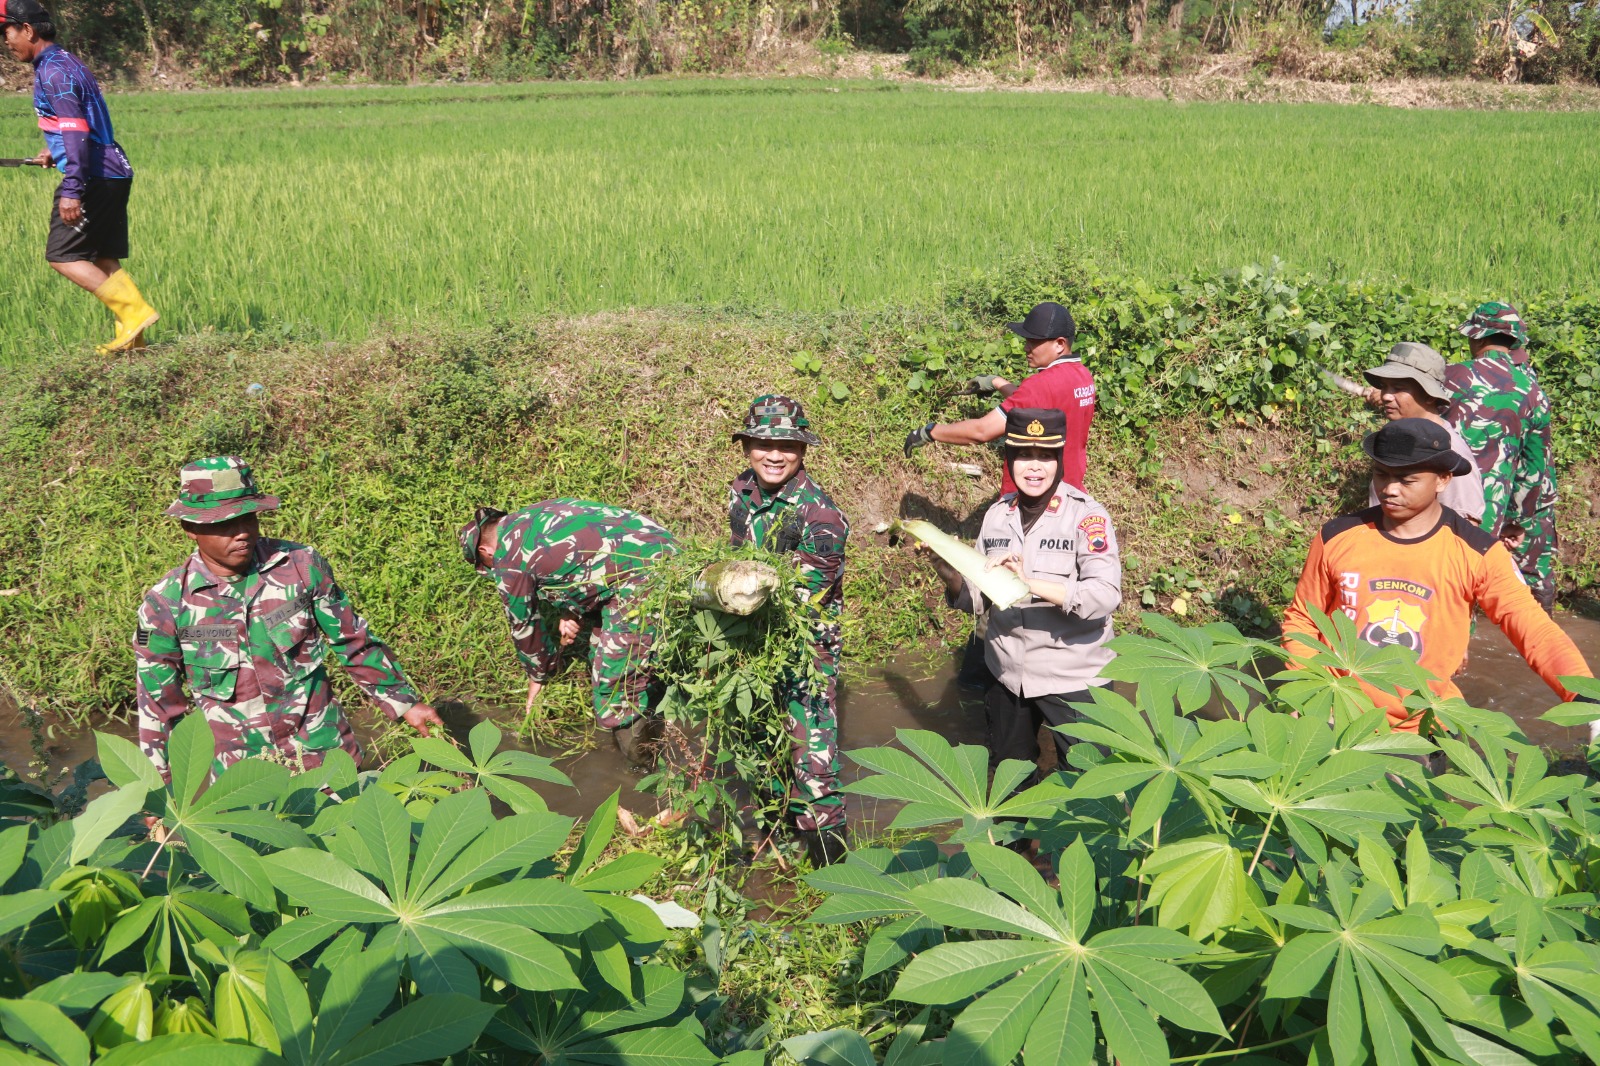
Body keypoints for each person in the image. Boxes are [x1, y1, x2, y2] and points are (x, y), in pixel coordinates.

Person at [133, 457, 442, 779]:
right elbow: (159, 705)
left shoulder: (299, 566)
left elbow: (352, 641)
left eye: (248, 518)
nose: (241, 533)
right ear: (191, 528)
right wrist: (157, 784)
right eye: (223, 525)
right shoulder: (167, 605)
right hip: (241, 779)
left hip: (325, 755)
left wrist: (405, 702)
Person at [1280, 419, 1593, 735]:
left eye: (1406, 480)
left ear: (1442, 480)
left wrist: (1587, 701)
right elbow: (1303, 619)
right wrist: (1304, 691)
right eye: (1381, 474)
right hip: (1335, 713)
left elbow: (1534, 631)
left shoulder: (1477, 552)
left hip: (1420, 725)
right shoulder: (1337, 536)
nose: (1389, 489)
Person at [922, 408, 1122, 778]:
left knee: (1090, 787)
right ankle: (1015, 839)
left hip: (1074, 678)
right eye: (1023, 455)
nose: (1034, 467)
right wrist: (944, 564)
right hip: (1008, 674)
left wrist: (1028, 584)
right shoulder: (998, 515)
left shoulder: (1086, 516)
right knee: (1009, 780)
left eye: (1045, 456)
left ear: (1059, 459)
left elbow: (1104, 595)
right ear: (1010, 459)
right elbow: (978, 597)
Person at [459, 499, 678, 763]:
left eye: (485, 564)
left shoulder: (507, 559)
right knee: (598, 647)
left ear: (485, 550)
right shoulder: (537, 513)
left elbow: (525, 626)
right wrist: (570, 610)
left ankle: (646, 769)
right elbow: (582, 556)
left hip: (647, 578)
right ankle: (656, 705)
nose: (492, 571)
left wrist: (538, 678)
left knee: (614, 689)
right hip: (665, 550)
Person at [727, 394, 850, 865]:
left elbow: (804, 591)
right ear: (747, 447)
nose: (773, 455)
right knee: (758, 745)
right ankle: (774, 851)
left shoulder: (822, 516)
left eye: (786, 445)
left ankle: (834, 879)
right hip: (751, 641)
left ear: (802, 452)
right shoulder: (742, 490)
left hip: (804, 649)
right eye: (763, 443)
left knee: (812, 760)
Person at [2, 0, 157, 353]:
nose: (5, 41)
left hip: (92, 175)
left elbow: (75, 130)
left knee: (63, 255)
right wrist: (51, 152)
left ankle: (135, 313)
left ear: (28, 29)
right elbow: (75, 123)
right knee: (102, 255)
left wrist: (72, 186)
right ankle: (135, 340)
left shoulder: (52, 72)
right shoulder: (65, 61)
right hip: (113, 170)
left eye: (6, 32)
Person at [903, 302, 1095, 496]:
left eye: (1034, 341)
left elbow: (981, 431)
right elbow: (1037, 405)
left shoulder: (1041, 384)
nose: (1026, 347)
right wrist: (996, 382)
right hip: (1071, 493)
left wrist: (930, 431)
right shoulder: (1082, 376)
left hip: (1034, 502)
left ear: (1059, 344)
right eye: (1026, 340)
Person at [1445, 302, 1559, 611]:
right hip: (1490, 515)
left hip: (1440, 500)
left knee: (1436, 589)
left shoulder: (1450, 377)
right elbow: (1533, 470)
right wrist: (1516, 521)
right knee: (1467, 591)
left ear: (1478, 338)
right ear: (1514, 341)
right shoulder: (1533, 392)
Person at [1361, 342, 1485, 523]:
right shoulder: (1399, 438)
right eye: (1385, 386)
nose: (1386, 396)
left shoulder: (1448, 451)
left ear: (1429, 395)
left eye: (1399, 388)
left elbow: (1465, 525)